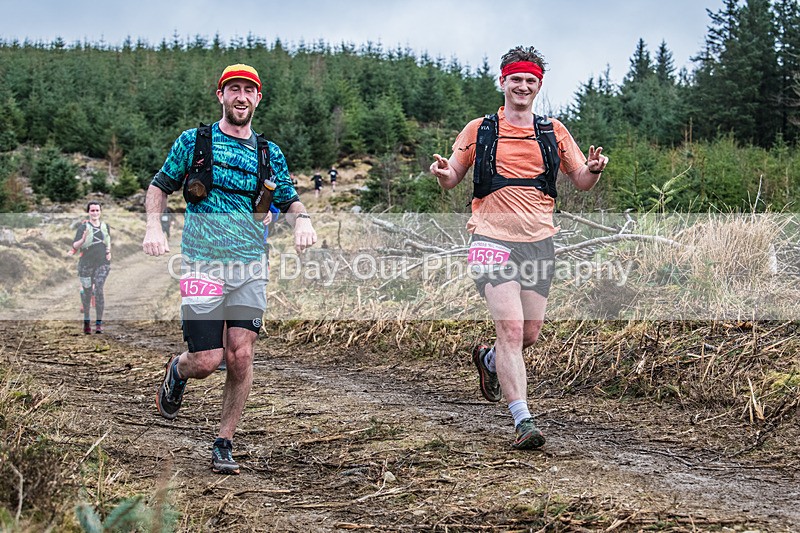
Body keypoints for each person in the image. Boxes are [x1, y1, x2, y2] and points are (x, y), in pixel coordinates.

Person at [429, 46, 608, 450]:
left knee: (529, 333)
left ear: (539, 85)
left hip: (539, 243)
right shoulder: (479, 129)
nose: (522, 86)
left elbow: (580, 178)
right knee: (509, 327)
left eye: (530, 80)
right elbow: (453, 176)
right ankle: (523, 420)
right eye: (516, 79)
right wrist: (442, 173)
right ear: (503, 82)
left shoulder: (553, 131)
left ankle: (489, 360)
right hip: (490, 239)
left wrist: (593, 171)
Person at [142, 63, 317, 475]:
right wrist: (154, 225)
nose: (241, 96)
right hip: (202, 263)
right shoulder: (195, 141)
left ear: (258, 98)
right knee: (206, 360)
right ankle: (177, 369)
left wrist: (303, 221)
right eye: (233, 89)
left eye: (248, 90)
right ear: (220, 95)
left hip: (250, 266)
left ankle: (224, 441)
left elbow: (290, 200)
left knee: (240, 356)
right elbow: (159, 185)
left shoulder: (268, 152)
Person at [70, 201, 111, 334]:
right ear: (88, 212)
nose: (95, 213)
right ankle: (86, 321)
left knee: (98, 289)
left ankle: (99, 323)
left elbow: (108, 241)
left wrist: (108, 252)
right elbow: (75, 246)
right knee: (87, 293)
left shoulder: (105, 226)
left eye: (97, 210)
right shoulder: (83, 227)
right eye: (92, 210)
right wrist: (83, 239)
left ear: (100, 212)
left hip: (102, 263)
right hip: (85, 264)